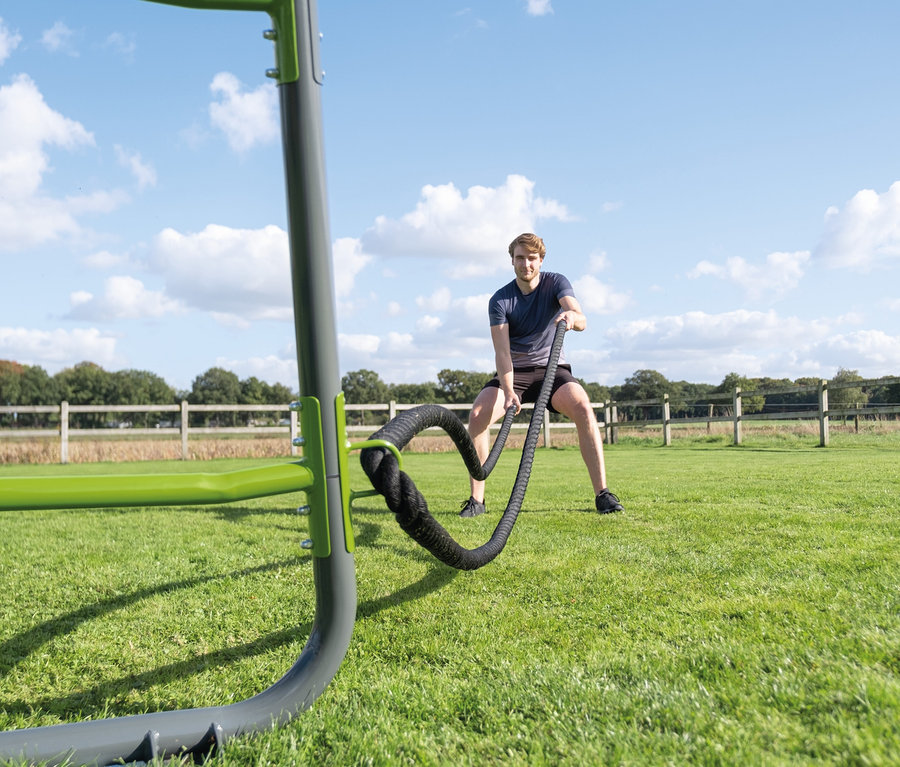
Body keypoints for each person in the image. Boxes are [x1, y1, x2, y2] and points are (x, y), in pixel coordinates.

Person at [460, 232, 623, 517]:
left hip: (552, 369)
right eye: (520, 258)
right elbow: (502, 353)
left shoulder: (556, 283)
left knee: (583, 407)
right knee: (477, 415)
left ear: (541, 260)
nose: (526, 264)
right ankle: (477, 500)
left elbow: (580, 317)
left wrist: (571, 317)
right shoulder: (500, 300)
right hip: (515, 372)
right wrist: (508, 391)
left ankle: (603, 494)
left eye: (531, 258)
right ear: (512, 261)